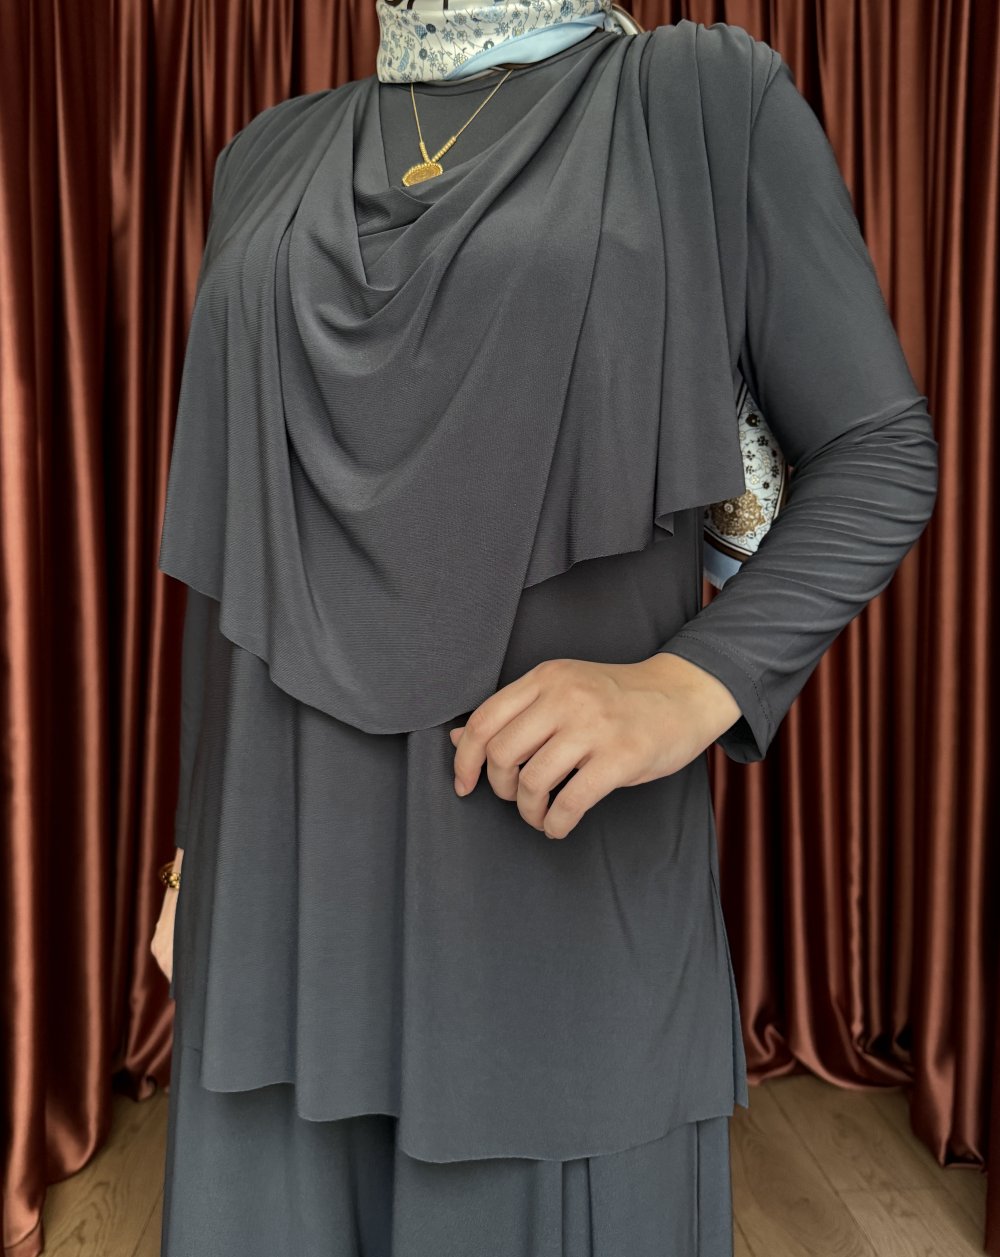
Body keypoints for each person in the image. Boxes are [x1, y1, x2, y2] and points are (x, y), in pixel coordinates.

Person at [154, 4, 940, 1254]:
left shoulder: (695, 96)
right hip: (275, 897)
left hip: (543, 899)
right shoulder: (264, 152)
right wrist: (191, 862)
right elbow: (232, 559)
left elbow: (878, 451)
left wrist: (691, 684)